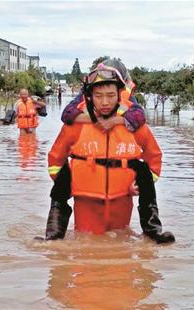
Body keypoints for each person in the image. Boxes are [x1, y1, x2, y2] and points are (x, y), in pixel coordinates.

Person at [45, 59, 175, 243]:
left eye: (110, 95)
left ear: (120, 94)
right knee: (85, 258)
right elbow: (55, 160)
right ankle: (52, 237)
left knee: (121, 255)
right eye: (98, 96)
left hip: (122, 201)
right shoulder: (76, 123)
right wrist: (67, 183)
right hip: (86, 203)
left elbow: (154, 158)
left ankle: (153, 232)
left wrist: (139, 184)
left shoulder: (134, 123)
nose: (104, 102)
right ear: (88, 96)